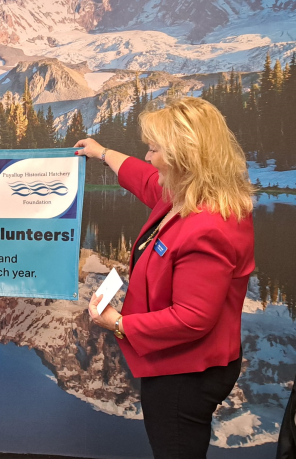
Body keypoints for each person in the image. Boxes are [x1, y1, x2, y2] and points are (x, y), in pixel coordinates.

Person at [75, 97, 255, 458]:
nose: (148, 156)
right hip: (186, 363)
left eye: (154, 149)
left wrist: (120, 324)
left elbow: (193, 318)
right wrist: (102, 152)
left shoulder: (208, 227)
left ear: (183, 157)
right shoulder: (189, 195)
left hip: (185, 374)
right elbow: (144, 180)